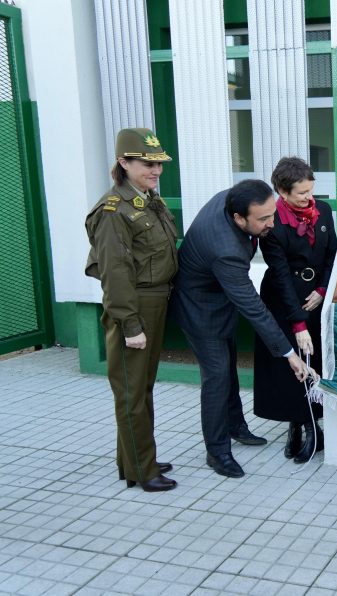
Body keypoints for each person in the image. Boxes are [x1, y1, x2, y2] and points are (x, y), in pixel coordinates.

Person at [169, 179, 314, 479]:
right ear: (238, 218)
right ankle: (217, 451)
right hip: (200, 311)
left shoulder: (236, 198)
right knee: (217, 376)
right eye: (263, 220)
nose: (271, 223)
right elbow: (253, 308)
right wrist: (289, 353)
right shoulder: (226, 250)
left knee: (228, 366)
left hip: (220, 299)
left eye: (272, 214)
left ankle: (236, 426)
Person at [84, 128, 179, 492]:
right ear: (124, 163)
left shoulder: (147, 199)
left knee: (142, 387)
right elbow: (115, 274)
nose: (155, 170)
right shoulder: (113, 211)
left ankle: (138, 457)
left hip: (155, 301)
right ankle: (142, 470)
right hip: (134, 306)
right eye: (147, 163)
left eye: (158, 164)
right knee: (131, 392)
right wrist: (129, 324)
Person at [254, 157, 337, 463]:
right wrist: (298, 324)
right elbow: (279, 273)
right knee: (292, 364)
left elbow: (332, 255)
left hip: (316, 297)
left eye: (310, 190)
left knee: (315, 361)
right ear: (282, 191)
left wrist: (322, 290)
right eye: (301, 192)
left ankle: (313, 425)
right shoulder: (272, 222)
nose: (308, 197)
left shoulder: (323, 211)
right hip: (284, 299)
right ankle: (297, 426)